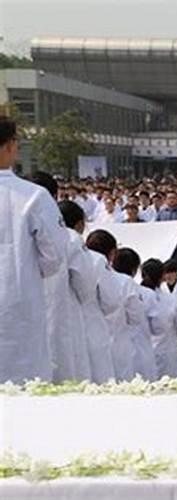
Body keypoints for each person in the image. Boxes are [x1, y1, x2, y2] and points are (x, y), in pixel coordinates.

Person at [0, 117, 67, 383]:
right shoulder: (34, 197)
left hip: (20, 309)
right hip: (19, 307)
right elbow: (54, 258)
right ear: (11, 145)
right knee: (23, 390)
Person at [41, 192, 97, 383]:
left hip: (35, 308)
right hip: (64, 308)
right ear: (80, 223)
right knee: (68, 366)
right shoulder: (72, 238)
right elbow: (85, 282)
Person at [86, 229, 133, 382]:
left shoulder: (76, 256)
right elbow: (111, 301)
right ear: (112, 253)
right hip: (98, 329)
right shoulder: (100, 263)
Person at [140, 259, 177, 379]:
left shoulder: (134, 295)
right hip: (165, 352)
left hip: (137, 351)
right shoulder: (170, 301)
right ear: (162, 277)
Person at [113, 247, 157, 381]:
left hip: (111, 345)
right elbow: (139, 318)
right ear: (135, 269)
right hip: (137, 347)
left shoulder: (105, 282)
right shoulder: (145, 293)